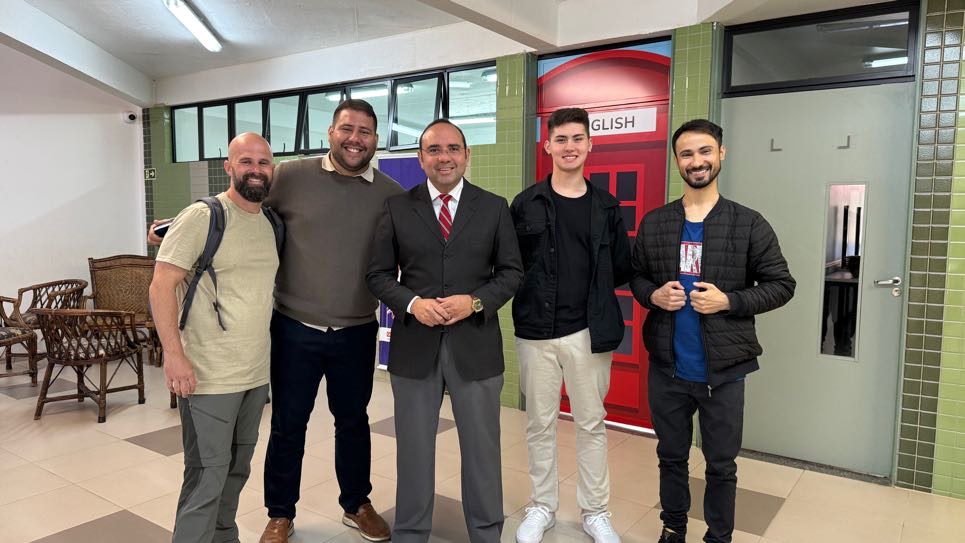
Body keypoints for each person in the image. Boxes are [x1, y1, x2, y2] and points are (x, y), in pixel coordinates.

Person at [148, 99, 402, 543]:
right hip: (294, 326)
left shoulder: (390, 193)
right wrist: (174, 227)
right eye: (346, 128)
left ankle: (356, 503)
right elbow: (242, 203)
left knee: (353, 421)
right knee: (288, 423)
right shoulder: (291, 175)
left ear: (375, 140)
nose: (355, 138)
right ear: (330, 133)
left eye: (365, 131)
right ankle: (280, 513)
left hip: (356, 328)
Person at [629, 119, 795, 543]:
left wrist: (730, 301)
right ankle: (673, 528)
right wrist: (653, 295)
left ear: (721, 153)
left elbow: (781, 284)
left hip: (724, 371)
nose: (696, 161)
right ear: (677, 161)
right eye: (686, 154)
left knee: (721, 464)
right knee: (671, 457)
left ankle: (719, 537)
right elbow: (637, 277)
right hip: (668, 368)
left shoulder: (748, 223)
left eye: (705, 151)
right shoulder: (656, 222)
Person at [366, 119, 523, 543]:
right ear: (421, 159)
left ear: (467, 155)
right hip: (415, 348)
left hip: (476, 347)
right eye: (434, 150)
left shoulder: (493, 207)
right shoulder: (398, 208)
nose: (444, 157)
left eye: (453, 148)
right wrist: (413, 304)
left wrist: (474, 302)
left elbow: (511, 273)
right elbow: (378, 275)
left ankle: (486, 533)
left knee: (482, 451)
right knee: (414, 450)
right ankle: (411, 532)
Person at [509, 107, 632, 543]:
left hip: (588, 332)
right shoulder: (525, 204)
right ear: (547, 146)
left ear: (590, 145)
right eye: (560, 139)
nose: (569, 147)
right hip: (535, 332)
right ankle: (542, 506)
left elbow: (621, 268)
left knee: (591, 424)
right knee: (539, 424)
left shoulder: (607, 206)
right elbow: (511, 266)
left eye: (577, 138)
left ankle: (595, 512)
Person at [149, 132, 279, 543]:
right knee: (206, 475)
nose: (255, 170)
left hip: (254, 374)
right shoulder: (204, 216)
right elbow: (160, 286)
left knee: (236, 471)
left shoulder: (271, 223)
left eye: (263, 162)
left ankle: (224, 537)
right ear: (229, 167)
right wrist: (174, 355)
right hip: (208, 375)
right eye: (246, 161)